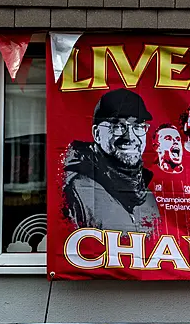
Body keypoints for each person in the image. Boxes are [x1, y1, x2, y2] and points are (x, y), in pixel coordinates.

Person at [63, 88, 160, 233]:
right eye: (117, 126)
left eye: (138, 126)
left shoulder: (146, 194)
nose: (130, 137)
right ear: (97, 134)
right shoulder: (77, 190)